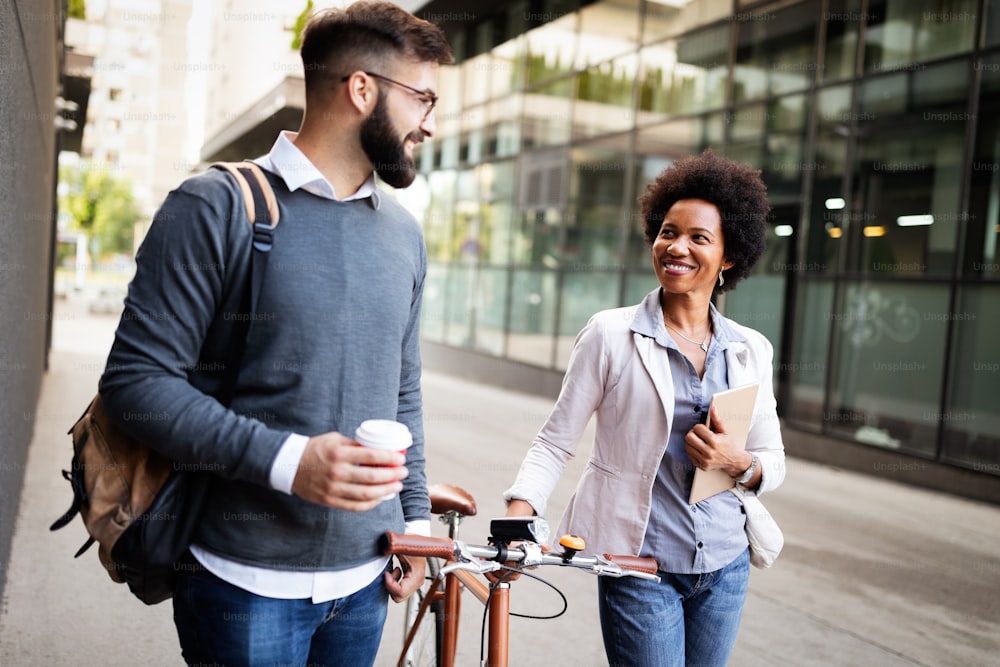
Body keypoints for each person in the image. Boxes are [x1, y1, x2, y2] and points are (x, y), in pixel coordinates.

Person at [99, 3, 452, 665]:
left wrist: (412, 523)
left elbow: (401, 392)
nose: (430, 123)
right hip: (241, 582)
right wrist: (290, 462)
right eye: (423, 98)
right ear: (362, 89)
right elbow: (135, 384)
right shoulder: (214, 207)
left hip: (366, 582)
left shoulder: (403, 234)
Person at [502, 150, 786, 666]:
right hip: (638, 564)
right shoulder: (610, 335)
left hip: (725, 565)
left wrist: (737, 461)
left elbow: (771, 459)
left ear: (728, 258)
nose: (677, 246)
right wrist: (519, 519)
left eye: (699, 237)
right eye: (668, 232)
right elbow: (555, 440)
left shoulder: (751, 349)